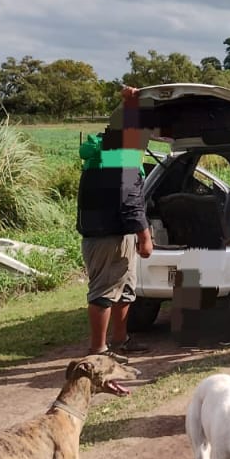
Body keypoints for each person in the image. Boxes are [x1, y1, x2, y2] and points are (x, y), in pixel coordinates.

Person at [76, 85, 154, 354]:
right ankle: (98, 350)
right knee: (104, 293)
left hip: (110, 232)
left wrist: (129, 102)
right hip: (109, 237)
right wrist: (145, 237)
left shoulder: (105, 151)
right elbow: (130, 201)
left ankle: (121, 340)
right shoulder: (123, 155)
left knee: (125, 289)